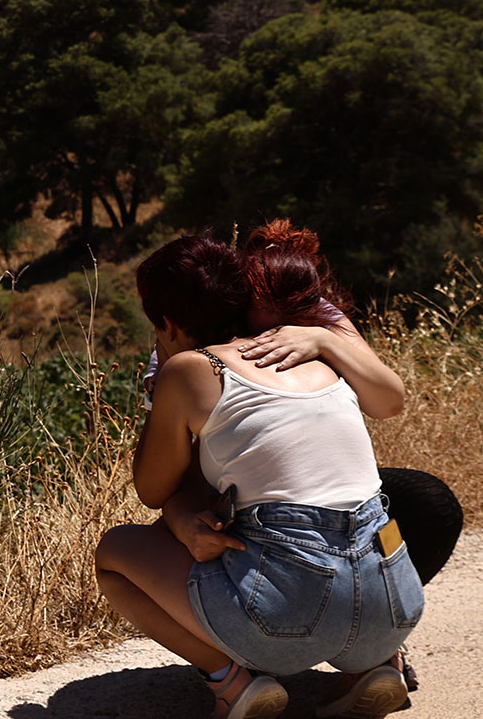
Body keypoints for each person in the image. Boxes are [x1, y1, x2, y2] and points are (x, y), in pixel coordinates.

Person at [94, 224, 428, 719]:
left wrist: (165, 373)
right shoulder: (314, 346)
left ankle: (231, 683)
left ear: (164, 322)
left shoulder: (188, 370)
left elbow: (152, 488)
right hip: (398, 607)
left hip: (285, 621)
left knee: (114, 552)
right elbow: (388, 398)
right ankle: (375, 662)